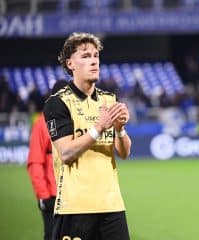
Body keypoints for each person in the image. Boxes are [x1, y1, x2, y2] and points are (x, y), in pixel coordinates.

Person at [43, 32, 132, 240]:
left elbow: (124, 152)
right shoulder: (58, 103)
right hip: (75, 208)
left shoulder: (109, 100)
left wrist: (120, 128)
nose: (93, 61)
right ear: (70, 64)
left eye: (95, 56)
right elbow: (65, 152)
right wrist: (99, 127)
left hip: (112, 205)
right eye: (85, 56)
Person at [27, 80, 69, 240]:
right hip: (52, 195)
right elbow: (35, 162)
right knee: (53, 235)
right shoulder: (42, 124)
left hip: (74, 193)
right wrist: (42, 195)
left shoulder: (74, 120)